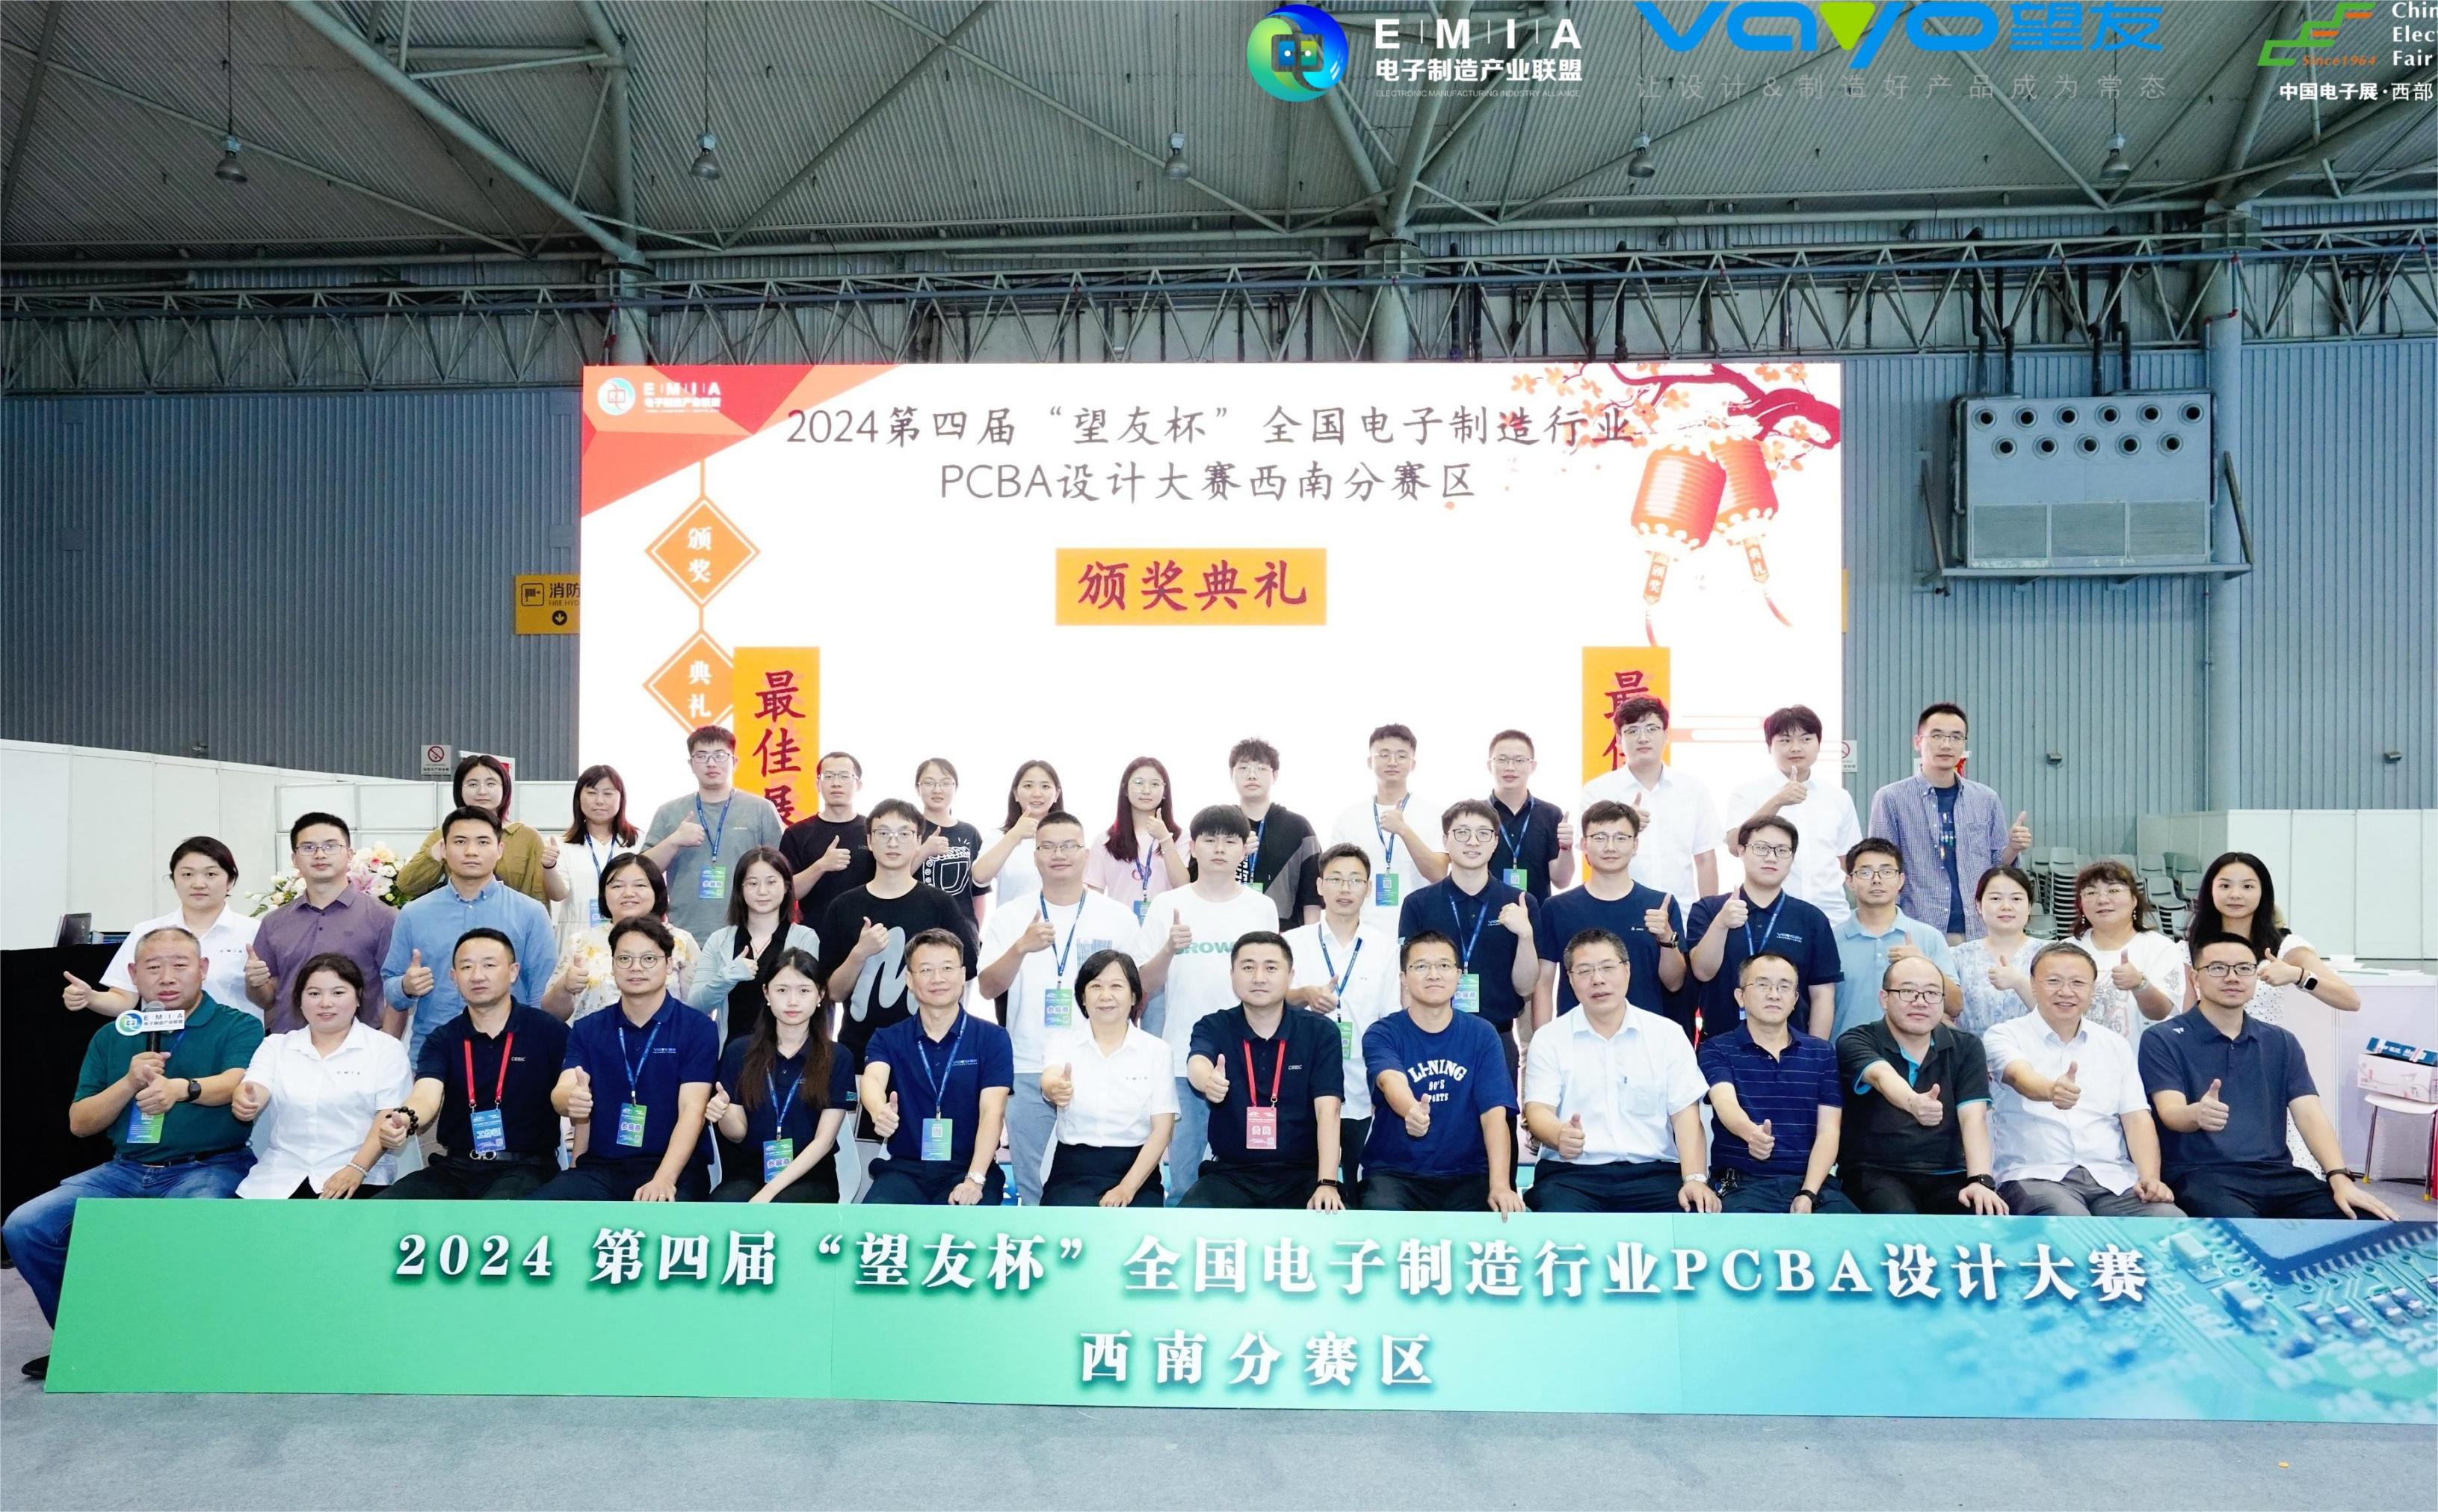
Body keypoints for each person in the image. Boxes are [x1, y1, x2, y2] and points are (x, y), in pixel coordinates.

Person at [4, 927, 262, 1379]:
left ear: (203, 969)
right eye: (153, 967)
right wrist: (128, 1082)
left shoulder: (237, 1024)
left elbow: (236, 1083)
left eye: (180, 965)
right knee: (26, 1226)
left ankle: (181, 1340)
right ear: (133, 974)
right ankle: (84, 1337)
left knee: (188, 1225)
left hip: (211, 1165)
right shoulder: (112, 1037)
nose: (167, 977)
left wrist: (182, 1089)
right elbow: (81, 1123)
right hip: (125, 1169)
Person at [2138, 934, 2395, 1221]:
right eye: (2218, 968)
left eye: (2244, 968)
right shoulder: (2163, 1039)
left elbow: (2310, 1115)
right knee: (2248, 1234)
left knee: (2366, 1221)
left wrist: (2339, 1177)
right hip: (2202, 1175)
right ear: (2196, 978)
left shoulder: (2281, 1041)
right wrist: (2196, 1114)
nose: (2232, 977)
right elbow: (2170, 1112)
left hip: (2277, 1175)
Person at [977, 810, 1141, 1204]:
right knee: (1033, 1182)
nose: (1059, 854)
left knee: (1099, 1177)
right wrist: (1020, 948)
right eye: (1048, 847)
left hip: (1101, 1064)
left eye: (1069, 846)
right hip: (1028, 1062)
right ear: (1035, 856)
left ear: (1086, 854)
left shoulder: (1116, 916)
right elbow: (986, 987)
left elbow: (1136, 993)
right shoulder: (1010, 916)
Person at [818, 800, 980, 1194]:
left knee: (925, 1166)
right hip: (861, 1054)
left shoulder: (938, 904)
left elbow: (965, 972)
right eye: (884, 834)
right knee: (857, 1171)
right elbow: (833, 992)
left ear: (918, 841)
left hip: (930, 1059)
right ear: (869, 841)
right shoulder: (845, 906)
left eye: (904, 834)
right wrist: (859, 953)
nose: (893, 843)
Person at [1519, 928, 1719, 1213]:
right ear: (1571, 980)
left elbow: (1686, 1116)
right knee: (1556, 1212)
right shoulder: (1550, 1038)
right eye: (1584, 971)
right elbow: (1538, 1109)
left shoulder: (1667, 1035)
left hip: (1653, 1173)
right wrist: (1558, 1135)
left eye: (1607, 967)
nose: (1597, 979)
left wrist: (1695, 1179)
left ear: (1627, 970)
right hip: (1571, 1175)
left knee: (1692, 1209)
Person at [1135, 806, 1281, 1192]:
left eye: (1230, 841)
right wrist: (1169, 948)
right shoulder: (1168, 905)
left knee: (1247, 1174)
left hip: (1250, 1057)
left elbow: (1273, 983)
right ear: (1193, 847)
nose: (1219, 849)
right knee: (1184, 1179)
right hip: (1182, 1056)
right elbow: (1143, 983)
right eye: (1210, 840)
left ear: (1244, 849)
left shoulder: (1261, 907)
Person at [2184, 851, 2360, 1172]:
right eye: (2225, 885)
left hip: (2263, 1062)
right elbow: (2187, 1012)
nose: (2235, 894)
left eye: (2247, 886)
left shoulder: (2285, 945)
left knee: (2278, 1161)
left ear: (2263, 892)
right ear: (2210, 891)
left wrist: (2299, 976)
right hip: (2208, 1062)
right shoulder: (2191, 945)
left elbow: (2350, 999)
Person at [1984, 942, 2182, 1217]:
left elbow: (2136, 1117)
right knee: (2071, 1222)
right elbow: (2020, 1077)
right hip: (2036, 1175)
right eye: (2053, 981)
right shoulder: (2003, 1035)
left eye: (2078, 983)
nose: (2066, 991)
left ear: (2092, 990)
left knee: (2169, 1220)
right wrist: (2051, 1090)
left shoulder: (2115, 1044)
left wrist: (2150, 1178)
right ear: (2033, 985)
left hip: (2113, 1179)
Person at [375, 927, 570, 1200]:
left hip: (528, 1168)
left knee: (491, 1214)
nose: (477, 976)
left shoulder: (549, 1031)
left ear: (513, 972)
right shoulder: (443, 1038)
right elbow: (426, 1095)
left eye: (489, 965)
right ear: (454, 978)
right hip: (457, 1168)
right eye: (466, 967)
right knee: (388, 1206)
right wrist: (406, 1118)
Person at [531, 916, 717, 1201]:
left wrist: (663, 1180)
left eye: (649, 959)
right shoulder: (589, 1028)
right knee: (538, 1210)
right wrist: (570, 1099)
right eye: (625, 959)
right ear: (612, 965)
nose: (636, 968)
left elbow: (692, 1109)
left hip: (674, 1170)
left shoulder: (697, 1028)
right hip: (601, 1168)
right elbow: (565, 1089)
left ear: (669, 965)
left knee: (659, 1218)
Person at [1358, 931, 1525, 1215]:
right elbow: (1390, 1079)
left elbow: (1494, 1114)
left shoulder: (1482, 1034)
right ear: (1404, 978)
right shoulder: (1383, 1032)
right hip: (1396, 1175)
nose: (1433, 974)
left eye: (1444, 966)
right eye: (1421, 966)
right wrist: (1411, 1110)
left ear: (1459, 975)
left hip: (1468, 1175)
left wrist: (1500, 1185)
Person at [1178, 933, 1346, 1209]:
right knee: (1192, 1217)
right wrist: (1208, 1081)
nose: (1259, 978)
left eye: (1271, 968)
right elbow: (1198, 1062)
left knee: (1333, 1219)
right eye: (1248, 967)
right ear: (1232, 974)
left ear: (1290, 975)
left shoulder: (1320, 1032)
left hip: (1302, 1173)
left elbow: (1329, 1111)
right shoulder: (1214, 1025)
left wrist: (1327, 1182)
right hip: (1231, 1174)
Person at [1834, 956, 2009, 1215]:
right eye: (1907, 992)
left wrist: (1980, 1181)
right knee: (1900, 1219)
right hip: (1875, 1171)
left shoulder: (1967, 1046)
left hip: (1949, 1172)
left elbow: (1973, 1119)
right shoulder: (1856, 1040)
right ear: (1884, 998)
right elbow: (1881, 1076)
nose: (1920, 1002)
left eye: (1931, 993)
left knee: (1981, 1215)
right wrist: (1913, 1102)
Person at [230, 954, 413, 1198]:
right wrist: (247, 1101)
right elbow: (256, 1086)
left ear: (358, 997)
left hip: (361, 1177)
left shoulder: (385, 1049)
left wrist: (356, 1168)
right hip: (278, 1179)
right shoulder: (276, 1045)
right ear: (300, 1000)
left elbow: (387, 1115)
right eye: (314, 993)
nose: (326, 1003)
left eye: (338, 993)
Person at [383, 807, 555, 1064]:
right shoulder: (414, 913)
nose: (471, 851)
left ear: (500, 850)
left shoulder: (531, 913)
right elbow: (391, 987)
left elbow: (540, 993)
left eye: (483, 842)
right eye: (460, 842)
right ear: (443, 849)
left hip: (507, 1054)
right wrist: (405, 986)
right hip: (434, 1055)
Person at [860, 929, 1016, 1205]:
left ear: (963, 974)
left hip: (969, 1167)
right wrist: (878, 1109)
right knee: (874, 1221)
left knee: (964, 1223)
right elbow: (872, 1080)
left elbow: (993, 1112)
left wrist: (974, 1180)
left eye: (947, 968)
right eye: (926, 970)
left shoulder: (992, 1038)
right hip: (906, 1169)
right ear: (909, 979)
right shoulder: (888, 1038)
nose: (938, 978)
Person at [1697, 953, 1857, 1213]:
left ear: (1795, 999)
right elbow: (1725, 1102)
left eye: (1784, 987)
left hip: (1812, 1184)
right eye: (1762, 985)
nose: (1774, 995)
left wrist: (1808, 1193)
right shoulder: (1718, 1048)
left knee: (1852, 1229)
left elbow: (1829, 1130)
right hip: (1743, 1184)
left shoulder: (1821, 1053)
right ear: (1740, 996)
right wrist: (1751, 1134)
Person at [1396, 799, 1539, 1086]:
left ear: (1495, 842)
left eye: (1483, 833)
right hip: (1433, 1039)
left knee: (1498, 1115)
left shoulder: (1520, 903)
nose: (1473, 842)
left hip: (1497, 1038)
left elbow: (1525, 988)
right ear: (1445, 840)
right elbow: (1408, 982)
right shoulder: (1418, 904)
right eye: (1462, 833)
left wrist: (1525, 935)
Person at [1283, 844, 1401, 1184]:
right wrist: (1305, 995)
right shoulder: (1292, 942)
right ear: (1320, 886)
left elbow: (1391, 1019)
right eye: (1335, 879)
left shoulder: (1384, 948)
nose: (1345, 889)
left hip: (1363, 1085)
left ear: (1368, 888)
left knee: (1358, 1186)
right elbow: (1270, 1002)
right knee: (1304, 1185)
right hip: (1302, 1085)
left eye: (1355, 880)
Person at [1866, 702, 2032, 941]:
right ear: (1918, 742)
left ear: (1964, 744)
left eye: (1956, 737)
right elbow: (1882, 867)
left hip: (1978, 927)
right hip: (1917, 926)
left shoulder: (1986, 798)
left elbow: (1998, 865)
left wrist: (2013, 848)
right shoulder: (1891, 798)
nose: (1946, 745)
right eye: (1936, 736)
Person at [706, 948, 853, 1202]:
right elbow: (737, 1134)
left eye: (804, 990)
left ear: (820, 995)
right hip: (746, 1174)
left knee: (782, 1209)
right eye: (782, 990)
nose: (792, 1001)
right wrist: (723, 1113)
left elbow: (824, 1141)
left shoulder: (838, 1057)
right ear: (767, 993)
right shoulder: (739, 1051)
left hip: (811, 1178)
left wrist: (769, 1192)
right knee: (722, 1208)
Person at [1038, 950, 1178, 1207]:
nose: (1106, 995)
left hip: (1136, 1169)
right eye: (1096, 986)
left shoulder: (1157, 1051)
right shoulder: (1062, 1042)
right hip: (1073, 1169)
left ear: (1134, 996)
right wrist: (1054, 1088)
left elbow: (1162, 1130)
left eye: (1116, 986)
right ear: (1083, 997)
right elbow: (1051, 1078)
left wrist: (1126, 1189)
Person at [66, 836, 257, 1023]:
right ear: (174, 880)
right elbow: (124, 998)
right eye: (187, 874)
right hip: (162, 1040)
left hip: (237, 1039)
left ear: (230, 881)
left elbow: (269, 997)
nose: (198, 884)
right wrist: (90, 997)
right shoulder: (147, 932)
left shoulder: (254, 931)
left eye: (211, 874)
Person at [1531, 800, 1685, 1028]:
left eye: (1621, 838)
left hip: (1644, 1035)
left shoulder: (1660, 905)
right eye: (1600, 838)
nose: (1610, 847)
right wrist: (1541, 1040)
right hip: (1576, 1036)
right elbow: (1543, 983)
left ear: (1635, 844)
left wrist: (1666, 936)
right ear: (1584, 844)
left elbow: (1675, 983)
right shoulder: (1557, 908)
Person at [1683, 817, 1840, 1039]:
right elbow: (1702, 971)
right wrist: (1721, 923)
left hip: (1791, 1049)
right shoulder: (1709, 909)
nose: (1771, 857)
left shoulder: (1811, 919)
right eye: (1761, 848)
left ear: (1792, 857)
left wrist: (1815, 1052)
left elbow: (1822, 994)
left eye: (1782, 850)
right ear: (1741, 851)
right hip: (1720, 1046)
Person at [246, 812, 400, 1037]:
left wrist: (388, 1046)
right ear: (294, 859)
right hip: (289, 1044)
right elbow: (266, 999)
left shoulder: (382, 917)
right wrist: (256, 983)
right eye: (308, 847)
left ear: (349, 854)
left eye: (331, 846)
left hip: (360, 1046)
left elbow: (397, 992)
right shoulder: (274, 922)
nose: (320, 854)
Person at [641, 724, 787, 942]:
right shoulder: (669, 812)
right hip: (685, 933)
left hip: (750, 932)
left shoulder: (760, 809)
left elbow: (783, 872)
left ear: (734, 762)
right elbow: (643, 871)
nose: (711, 763)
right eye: (701, 756)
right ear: (691, 764)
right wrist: (674, 841)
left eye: (720, 755)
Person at [1723, 704, 1862, 925]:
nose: (1796, 748)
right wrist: (1777, 801)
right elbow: (1734, 845)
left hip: (1831, 914)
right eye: (1785, 740)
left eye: (1806, 739)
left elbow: (1849, 860)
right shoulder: (1748, 793)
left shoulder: (1839, 797)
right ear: (1769, 746)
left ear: (1819, 743)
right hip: (1769, 912)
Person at [1578, 694, 1719, 909]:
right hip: (1614, 912)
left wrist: (1708, 916)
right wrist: (1623, 823)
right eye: (1633, 731)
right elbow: (1590, 854)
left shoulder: (1692, 790)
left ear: (1666, 735)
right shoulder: (1597, 790)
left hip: (1679, 913)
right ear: (1619, 740)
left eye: (1652, 729)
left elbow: (1705, 858)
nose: (1643, 738)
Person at [543, 852, 703, 1023]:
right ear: (604, 894)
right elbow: (551, 1015)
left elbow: (698, 1008)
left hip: (665, 1038)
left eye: (640, 885)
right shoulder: (580, 943)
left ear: (656, 891)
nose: (628, 893)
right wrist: (565, 988)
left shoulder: (680, 941)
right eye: (617, 886)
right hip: (594, 1038)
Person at [1828, 838, 1960, 1039]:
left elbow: (1955, 1006)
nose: (1876, 880)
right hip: (1845, 1053)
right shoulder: (1831, 940)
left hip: (1914, 1055)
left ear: (1901, 880)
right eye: (1865, 872)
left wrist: (1924, 964)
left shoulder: (1928, 936)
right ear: (1850, 882)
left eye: (1886, 871)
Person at [694, 846, 818, 1046]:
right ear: (740, 889)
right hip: (731, 1052)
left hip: (785, 1053)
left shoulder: (805, 938)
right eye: (752, 883)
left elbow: (808, 1001)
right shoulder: (719, 940)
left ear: (787, 886)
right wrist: (725, 978)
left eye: (771, 882)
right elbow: (695, 1006)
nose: (762, 891)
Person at [1327, 723, 1447, 929]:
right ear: (1369, 761)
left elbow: (1439, 874)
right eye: (1384, 755)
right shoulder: (1349, 817)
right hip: (1362, 927)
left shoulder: (1435, 814)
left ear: (1413, 764)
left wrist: (1403, 830)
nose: (1393, 762)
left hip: (1420, 925)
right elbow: (1334, 878)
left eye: (1401, 756)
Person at [397, 753, 558, 906]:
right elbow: (407, 885)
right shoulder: (442, 835)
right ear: (460, 790)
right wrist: (446, 844)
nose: (482, 791)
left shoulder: (527, 836)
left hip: (511, 922)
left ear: (505, 788)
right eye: (472, 784)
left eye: (491, 784)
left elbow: (539, 896)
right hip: (457, 919)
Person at [2070, 860, 2185, 1043]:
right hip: (2077, 1055)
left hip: (2139, 1055)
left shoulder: (2159, 947)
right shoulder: (2066, 950)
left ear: (2134, 900)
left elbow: (2161, 1013)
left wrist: (2140, 984)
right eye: (2091, 892)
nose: (2102, 899)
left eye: (2114, 890)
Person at [1223, 738, 1321, 928]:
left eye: (1261, 768)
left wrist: (1310, 938)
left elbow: (1312, 895)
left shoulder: (1299, 827)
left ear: (1275, 775)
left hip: (1283, 932)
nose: (1252, 775)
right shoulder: (1218, 825)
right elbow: (1198, 881)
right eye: (1243, 768)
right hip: (1225, 929)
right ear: (1231, 774)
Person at [1085, 756, 1192, 923]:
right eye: (1138, 783)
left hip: (1166, 928)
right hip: (1118, 928)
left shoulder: (1180, 837)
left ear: (1165, 792)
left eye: (1155, 784)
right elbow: (1094, 896)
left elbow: (1182, 885)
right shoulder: (1105, 840)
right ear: (1125, 789)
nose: (1146, 790)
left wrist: (1165, 839)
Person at [778, 750, 876, 927]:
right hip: (813, 933)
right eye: (828, 776)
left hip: (867, 931)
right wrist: (821, 865)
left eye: (844, 777)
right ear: (818, 784)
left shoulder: (873, 831)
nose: (836, 783)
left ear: (859, 785)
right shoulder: (797, 833)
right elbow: (785, 892)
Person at [553, 765, 640, 955]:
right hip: (576, 934)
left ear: (621, 798)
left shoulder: (638, 843)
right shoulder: (560, 845)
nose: (599, 801)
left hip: (628, 934)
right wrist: (548, 867)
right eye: (592, 793)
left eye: (608, 794)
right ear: (578, 797)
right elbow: (558, 894)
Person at [1951, 865, 2041, 1037]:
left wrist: (2018, 983)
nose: (2006, 906)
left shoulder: (2050, 955)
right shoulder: (1958, 956)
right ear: (1979, 906)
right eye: (1995, 898)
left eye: (2016, 899)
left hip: (2033, 1052)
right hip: (1974, 1053)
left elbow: (2058, 1014)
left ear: (2029, 907)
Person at [1484, 729, 1573, 899]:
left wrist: (1566, 848)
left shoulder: (1551, 814)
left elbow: (1562, 882)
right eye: (1502, 759)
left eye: (1519, 760)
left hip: (1537, 912)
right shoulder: (1477, 815)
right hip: (1485, 911)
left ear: (1533, 766)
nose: (1510, 767)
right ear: (1490, 765)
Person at [972, 759, 1063, 903]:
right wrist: (1015, 834)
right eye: (1028, 786)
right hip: (1013, 918)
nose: (1037, 793)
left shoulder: (1069, 836)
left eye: (1045, 786)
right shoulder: (999, 837)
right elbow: (979, 877)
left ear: (1056, 794)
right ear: (1016, 794)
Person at [911, 757, 990, 924]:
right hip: (918, 926)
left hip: (961, 929)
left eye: (945, 783)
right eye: (929, 783)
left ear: (956, 788)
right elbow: (893, 878)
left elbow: (978, 892)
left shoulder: (970, 833)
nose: (937, 790)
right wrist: (924, 852)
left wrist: (975, 931)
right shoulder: (909, 829)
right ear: (918, 788)